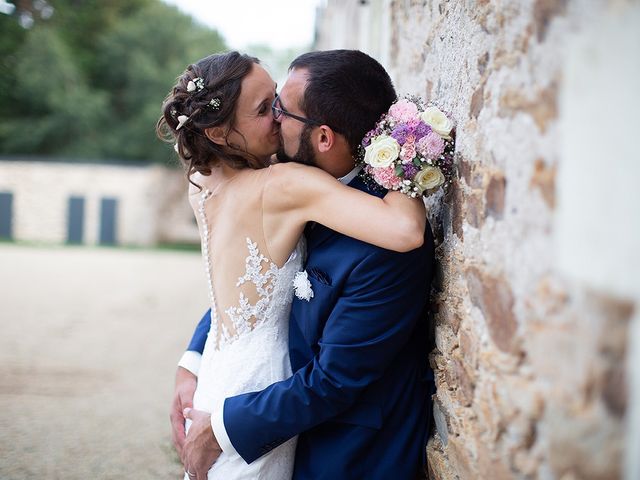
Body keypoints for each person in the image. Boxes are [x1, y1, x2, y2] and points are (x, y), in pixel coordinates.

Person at [158, 50, 432, 480]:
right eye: (267, 107)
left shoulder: (374, 240)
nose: (275, 119)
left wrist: (408, 151)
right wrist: (191, 361)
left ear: (323, 137)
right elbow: (243, 289)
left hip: (342, 449)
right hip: (245, 388)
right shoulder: (276, 178)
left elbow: (335, 379)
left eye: (280, 109)